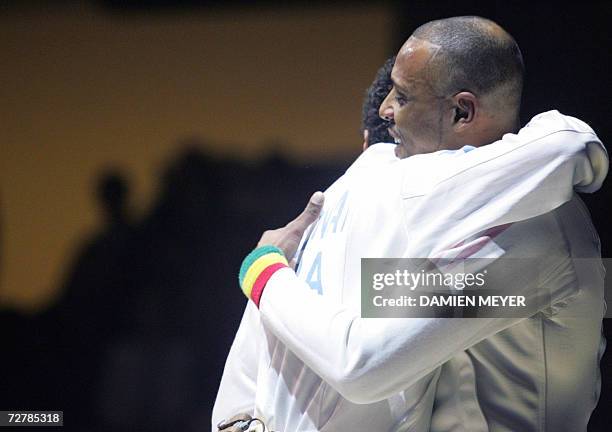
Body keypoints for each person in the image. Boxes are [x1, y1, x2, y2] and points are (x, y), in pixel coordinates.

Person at [214, 16, 608, 431]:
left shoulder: (532, 233)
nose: (387, 112)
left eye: (401, 98)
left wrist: (264, 271)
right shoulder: (436, 209)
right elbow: (358, 319)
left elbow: (363, 362)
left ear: (462, 111)